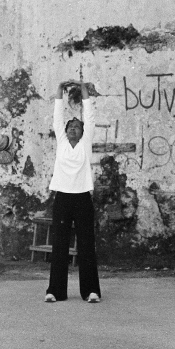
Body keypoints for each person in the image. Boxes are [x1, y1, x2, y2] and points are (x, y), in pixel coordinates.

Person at [44, 80, 102, 303]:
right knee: (59, 245)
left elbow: (89, 115)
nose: (72, 128)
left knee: (87, 245)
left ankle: (91, 291)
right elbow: (57, 116)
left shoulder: (86, 142)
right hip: (62, 198)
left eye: (76, 126)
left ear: (83, 131)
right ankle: (55, 291)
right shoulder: (61, 141)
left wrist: (82, 88)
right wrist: (59, 88)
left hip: (82, 199)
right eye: (70, 126)